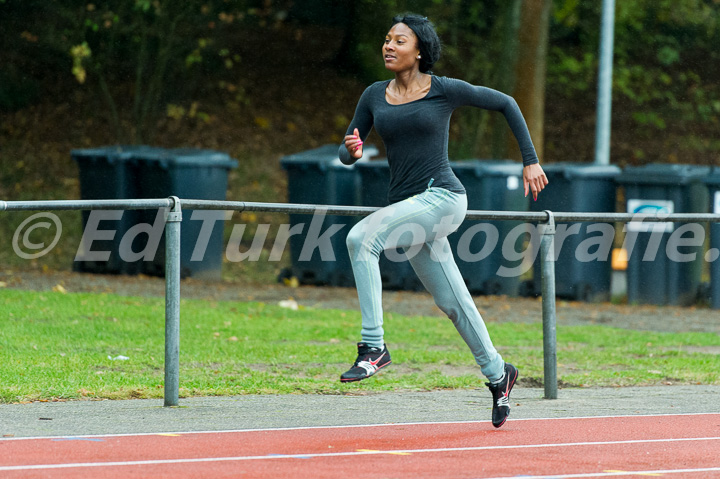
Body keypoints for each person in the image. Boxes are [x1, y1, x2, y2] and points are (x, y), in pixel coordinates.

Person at [337, 13, 548, 428]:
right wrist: (351, 151)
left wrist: (530, 161)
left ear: (419, 51)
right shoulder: (373, 95)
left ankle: (374, 347)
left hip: (442, 198)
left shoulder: (444, 90)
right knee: (453, 303)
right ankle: (498, 373)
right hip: (409, 208)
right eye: (386, 39)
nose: (389, 46)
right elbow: (348, 150)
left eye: (399, 40)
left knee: (362, 238)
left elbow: (507, 102)